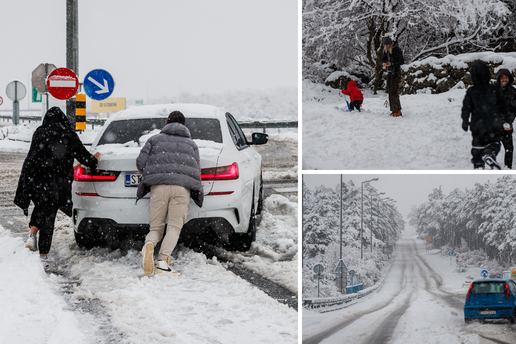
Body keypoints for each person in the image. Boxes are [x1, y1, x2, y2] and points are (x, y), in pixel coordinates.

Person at [14, 107, 100, 263]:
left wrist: (26, 184)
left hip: (39, 182)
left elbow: (31, 158)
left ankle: (33, 239)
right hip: (59, 184)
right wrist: (94, 160)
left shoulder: (40, 133)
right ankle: (43, 255)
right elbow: (83, 156)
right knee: (54, 214)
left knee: (43, 209)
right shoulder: (68, 134)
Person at [136, 111, 203, 276]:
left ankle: (149, 245)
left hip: (158, 187)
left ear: (166, 123)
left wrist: (155, 171)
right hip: (182, 188)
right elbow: (197, 169)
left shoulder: (153, 140)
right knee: (174, 227)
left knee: (156, 227)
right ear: (185, 125)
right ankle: (162, 263)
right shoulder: (191, 144)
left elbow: (140, 163)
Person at [461, 60, 510, 170]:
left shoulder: (471, 91)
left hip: (477, 126)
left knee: (477, 147)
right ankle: (490, 153)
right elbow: (503, 105)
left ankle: (478, 164)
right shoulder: (494, 89)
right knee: (495, 143)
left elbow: (466, 108)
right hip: (493, 123)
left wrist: (465, 120)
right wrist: (508, 117)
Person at [495, 69, 516, 169]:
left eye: (506, 77)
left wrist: (509, 121)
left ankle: (508, 168)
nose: (504, 79)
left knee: (509, 149)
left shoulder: (513, 92)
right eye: (502, 77)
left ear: (509, 79)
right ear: (499, 79)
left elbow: (514, 109)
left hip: (507, 126)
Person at [381, 36, 404, 117]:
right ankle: (394, 109)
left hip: (396, 72)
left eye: (387, 45)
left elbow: (401, 61)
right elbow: (383, 59)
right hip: (390, 72)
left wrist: (392, 64)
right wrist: (384, 63)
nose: (386, 46)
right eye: (385, 45)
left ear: (390, 44)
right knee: (390, 91)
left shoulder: (396, 49)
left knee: (394, 90)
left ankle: (398, 110)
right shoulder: (386, 50)